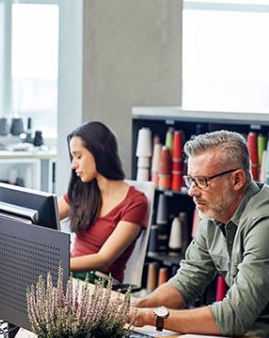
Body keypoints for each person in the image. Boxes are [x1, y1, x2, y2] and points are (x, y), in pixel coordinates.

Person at [133, 131, 269, 336]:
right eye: (191, 180)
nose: (192, 191)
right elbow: (186, 282)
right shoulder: (215, 216)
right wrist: (136, 306)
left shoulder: (263, 223)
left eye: (202, 181)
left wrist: (147, 317)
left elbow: (234, 316)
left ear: (237, 179)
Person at [57, 121, 149, 283]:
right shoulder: (82, 192)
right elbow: (44, 215)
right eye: (73, 157)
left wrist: (56, 265)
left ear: (99, 152)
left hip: (101, 284)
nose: (73, 164)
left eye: (79, 156)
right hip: (70, 277)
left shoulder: (136, 203)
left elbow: (104, 259)